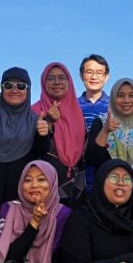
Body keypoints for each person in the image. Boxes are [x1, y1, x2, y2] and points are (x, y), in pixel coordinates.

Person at [0, 67, 51, 225]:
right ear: (2, 89)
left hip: (20, 189)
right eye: (8, 85)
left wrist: (43, 135)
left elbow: (40, 152)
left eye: (21, 86)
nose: (14, 90)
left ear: (28, 90)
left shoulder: (36, 121)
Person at [85, 78, 133, 224]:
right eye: (120, 95)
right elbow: (91, 159)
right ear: (113, 98)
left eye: (132, 95)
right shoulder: (101, 123)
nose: (126, 100)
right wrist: (106, 131)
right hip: (104, 210)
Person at [34, 62, 87, 207]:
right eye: (51, 78)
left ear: (69, 82)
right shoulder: (34, 112)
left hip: (77, 190)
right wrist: (48, 123)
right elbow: (32, 150)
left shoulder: (79, 114)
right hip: (43, 189)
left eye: (62, 78)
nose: (57, 82)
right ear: (44, 83)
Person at [78, 55, 111, 189]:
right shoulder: (71, 106)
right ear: (81, 75)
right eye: (89, 72)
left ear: (106, 77)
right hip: (77, 175)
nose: (94, 77)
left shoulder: (115, 106)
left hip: (106, 174)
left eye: (99, 73)